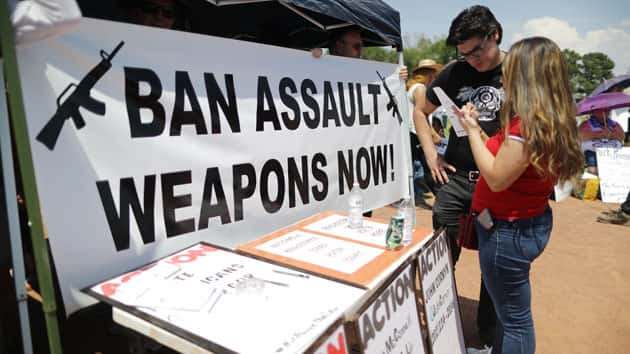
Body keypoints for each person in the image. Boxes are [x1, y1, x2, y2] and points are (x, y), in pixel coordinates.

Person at [457, 36, 584, 354]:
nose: (503, 76)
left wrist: (471, 130)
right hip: (524, 224)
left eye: (509, 70)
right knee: (507, 312)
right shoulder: (547, 119)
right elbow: (506, 160)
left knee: (515, 321)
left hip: (507, 231)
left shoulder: (526, 124)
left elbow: (497, 178)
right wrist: (483, 135)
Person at [412, 5, 504, 344]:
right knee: (440, 253)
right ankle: (437, 319)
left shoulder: (519, 71)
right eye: (464, 54)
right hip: (455, 180)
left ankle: (488, 334)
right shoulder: (456, 71)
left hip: (498, 186)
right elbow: (420, 111)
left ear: (495, 34)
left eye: (477, 51)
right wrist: (430, 153)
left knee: (493, 263)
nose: (472, 60)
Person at [406, 59, 444, 206]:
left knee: (417, 166)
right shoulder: (420, 89)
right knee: (430, 165)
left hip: (412, 133)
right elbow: (423, 114)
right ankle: (440, 195)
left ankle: (415, 196)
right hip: (417, 133)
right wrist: (432, 134)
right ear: (432, 74)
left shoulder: (413, 87)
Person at [578, 108, 625, 175]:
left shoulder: (615, 124)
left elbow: (622, 136)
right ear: (594, 112)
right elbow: (582, 136)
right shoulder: (586, 124)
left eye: (608, 110)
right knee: (593, 173)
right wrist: (599, 134)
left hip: (614, 153)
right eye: (604, 110)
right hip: (593, 152)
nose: (607, 112)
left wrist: (609, 135)